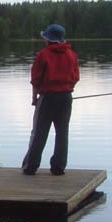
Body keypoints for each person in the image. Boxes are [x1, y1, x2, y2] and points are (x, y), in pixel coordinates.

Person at [22, 23, 80, 175]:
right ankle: (58, 167)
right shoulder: (72, 55)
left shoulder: (43, 55)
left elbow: (36, 79)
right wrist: (66, 89)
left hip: (47, 98)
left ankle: (31, 166)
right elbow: (76, 77)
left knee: (40, 132)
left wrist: (34, 97)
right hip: (66, 98)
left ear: (48, 39)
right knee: (62, 132)